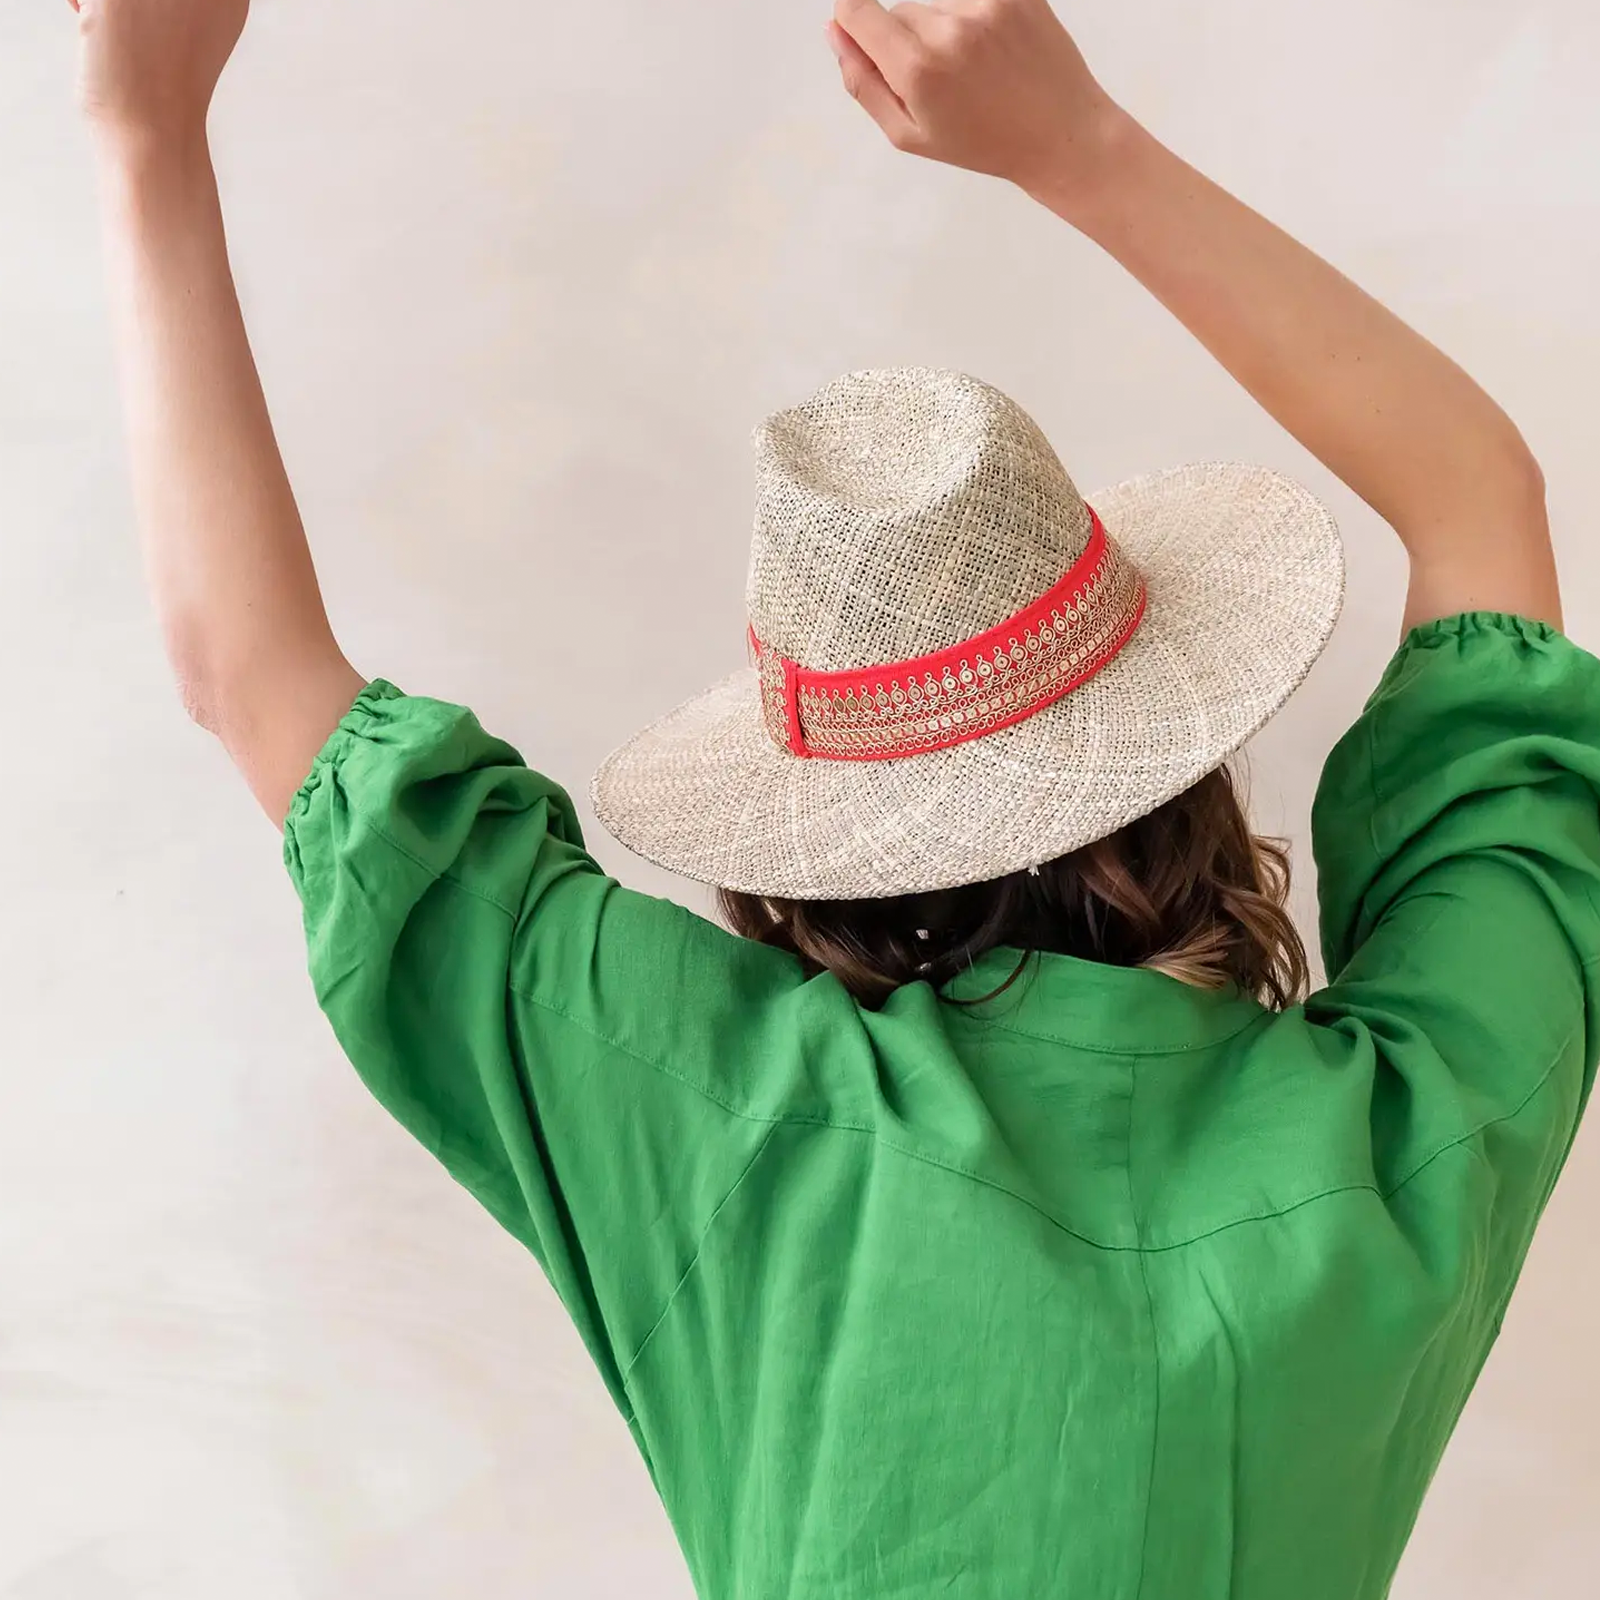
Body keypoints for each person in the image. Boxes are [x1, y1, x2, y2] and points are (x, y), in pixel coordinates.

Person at [70, 0, 1599, 1595]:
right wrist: (1079, 145)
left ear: (816, 831)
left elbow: (248, 681)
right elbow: (1479, 493)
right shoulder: (1412, 1127)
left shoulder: (704, 1098)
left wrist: (144, 137)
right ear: (1177, 740)